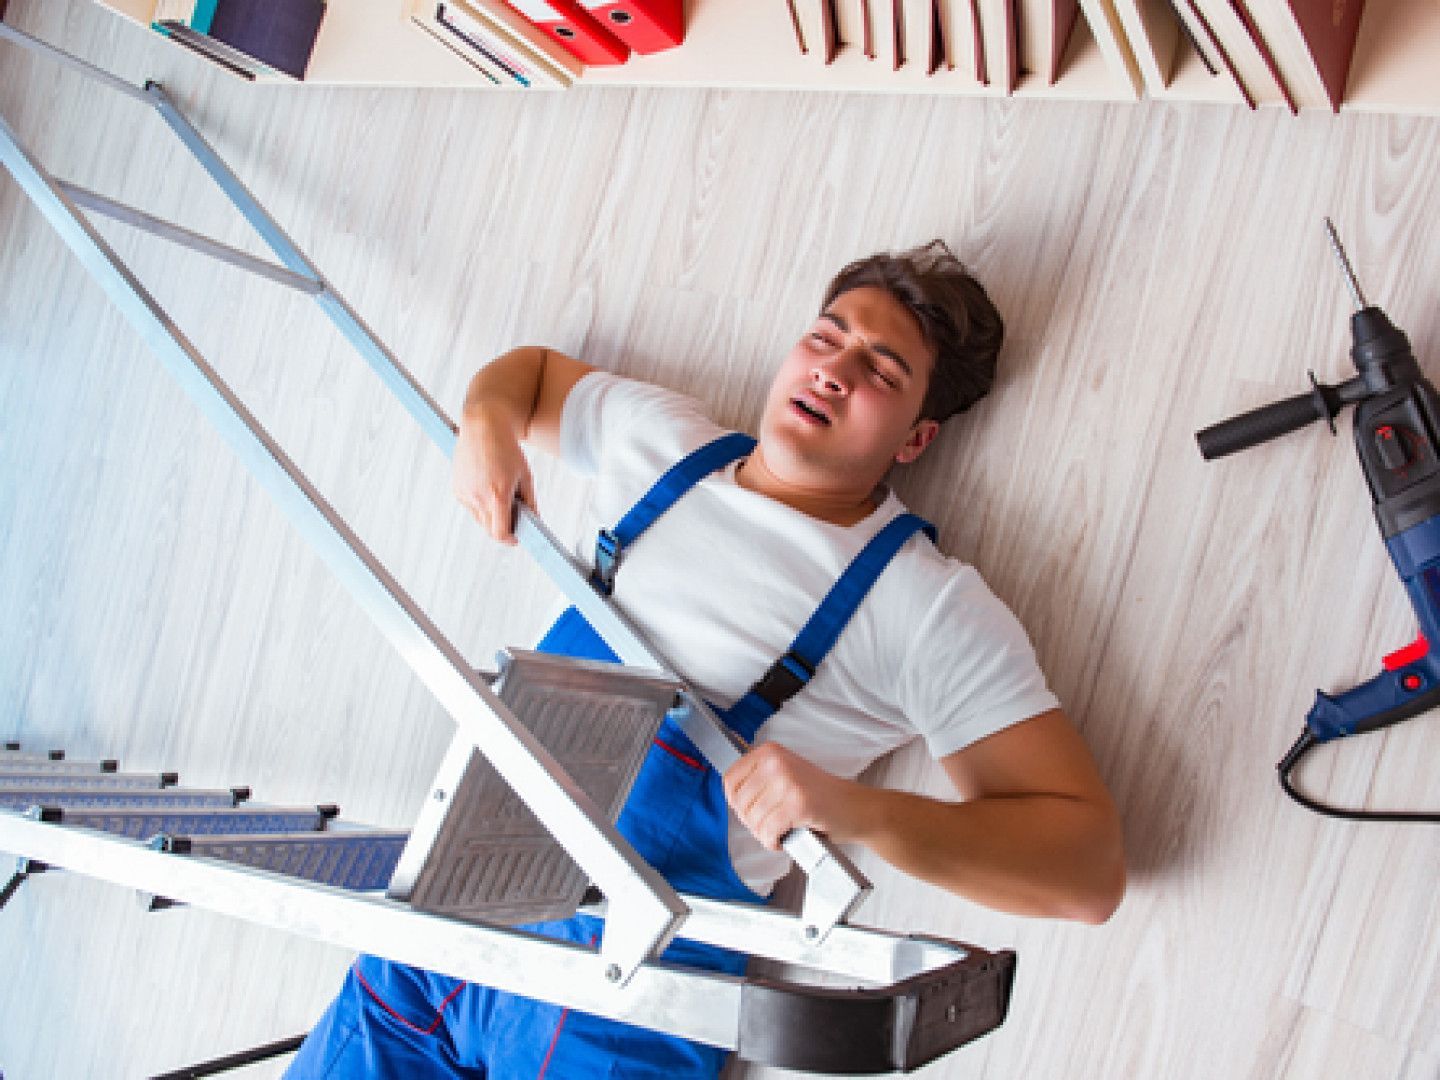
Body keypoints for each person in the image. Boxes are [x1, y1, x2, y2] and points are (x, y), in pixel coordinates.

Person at [286, 239, 1126, 1079]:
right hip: (450, 904)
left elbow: (1087, 871)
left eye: (881, 370)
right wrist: (487, 421)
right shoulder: (666, 441)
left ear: (916, 439)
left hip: (623, 995)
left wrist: (856, 813)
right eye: (827, 337)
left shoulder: (922, 606)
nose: (835, 369)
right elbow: (532, 374)